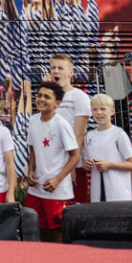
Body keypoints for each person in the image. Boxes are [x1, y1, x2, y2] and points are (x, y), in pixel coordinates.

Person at [25, 80, 81, 240]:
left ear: (57, 103)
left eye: (47, 97)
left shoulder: (62, 124)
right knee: (35, 226)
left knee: (57, 231)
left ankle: (59, 262)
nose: (41, 99)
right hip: (37, 188)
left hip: (57, 190)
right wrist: (30, 170)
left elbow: (75, 156)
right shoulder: (33, 120)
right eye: (39, 95)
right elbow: (33, 148)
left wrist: (57, 179)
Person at [50, 54, 92, 201]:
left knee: (76, 211)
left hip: (74, 165)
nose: (56, 71)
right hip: (53, 165)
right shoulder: (49, 98)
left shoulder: (79, 97)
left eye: (60, 68)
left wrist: (72, 166)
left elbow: (79, 134)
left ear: (71, 73)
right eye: (53, 68)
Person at [82, 94, 132, 202]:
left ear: (112, 111)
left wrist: (109, 165)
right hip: (97, 194)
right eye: (95, 109)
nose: (99, 112)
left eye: (103, 109)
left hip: (118, 193)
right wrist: (86, 165)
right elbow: (86, 163)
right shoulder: (89, 136)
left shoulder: (119, 134)